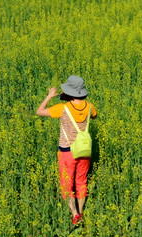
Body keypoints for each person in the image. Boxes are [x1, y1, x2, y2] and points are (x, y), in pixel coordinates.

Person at [36, 75, 97, 225]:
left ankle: (74, 214)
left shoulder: (62, 109)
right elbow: (94, 116)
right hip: (84, 150)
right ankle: (81, 212)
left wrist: (50, 95)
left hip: (67, 151)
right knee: (81, 180)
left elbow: (39, 111)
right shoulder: (90, 106)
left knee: (67, 183)